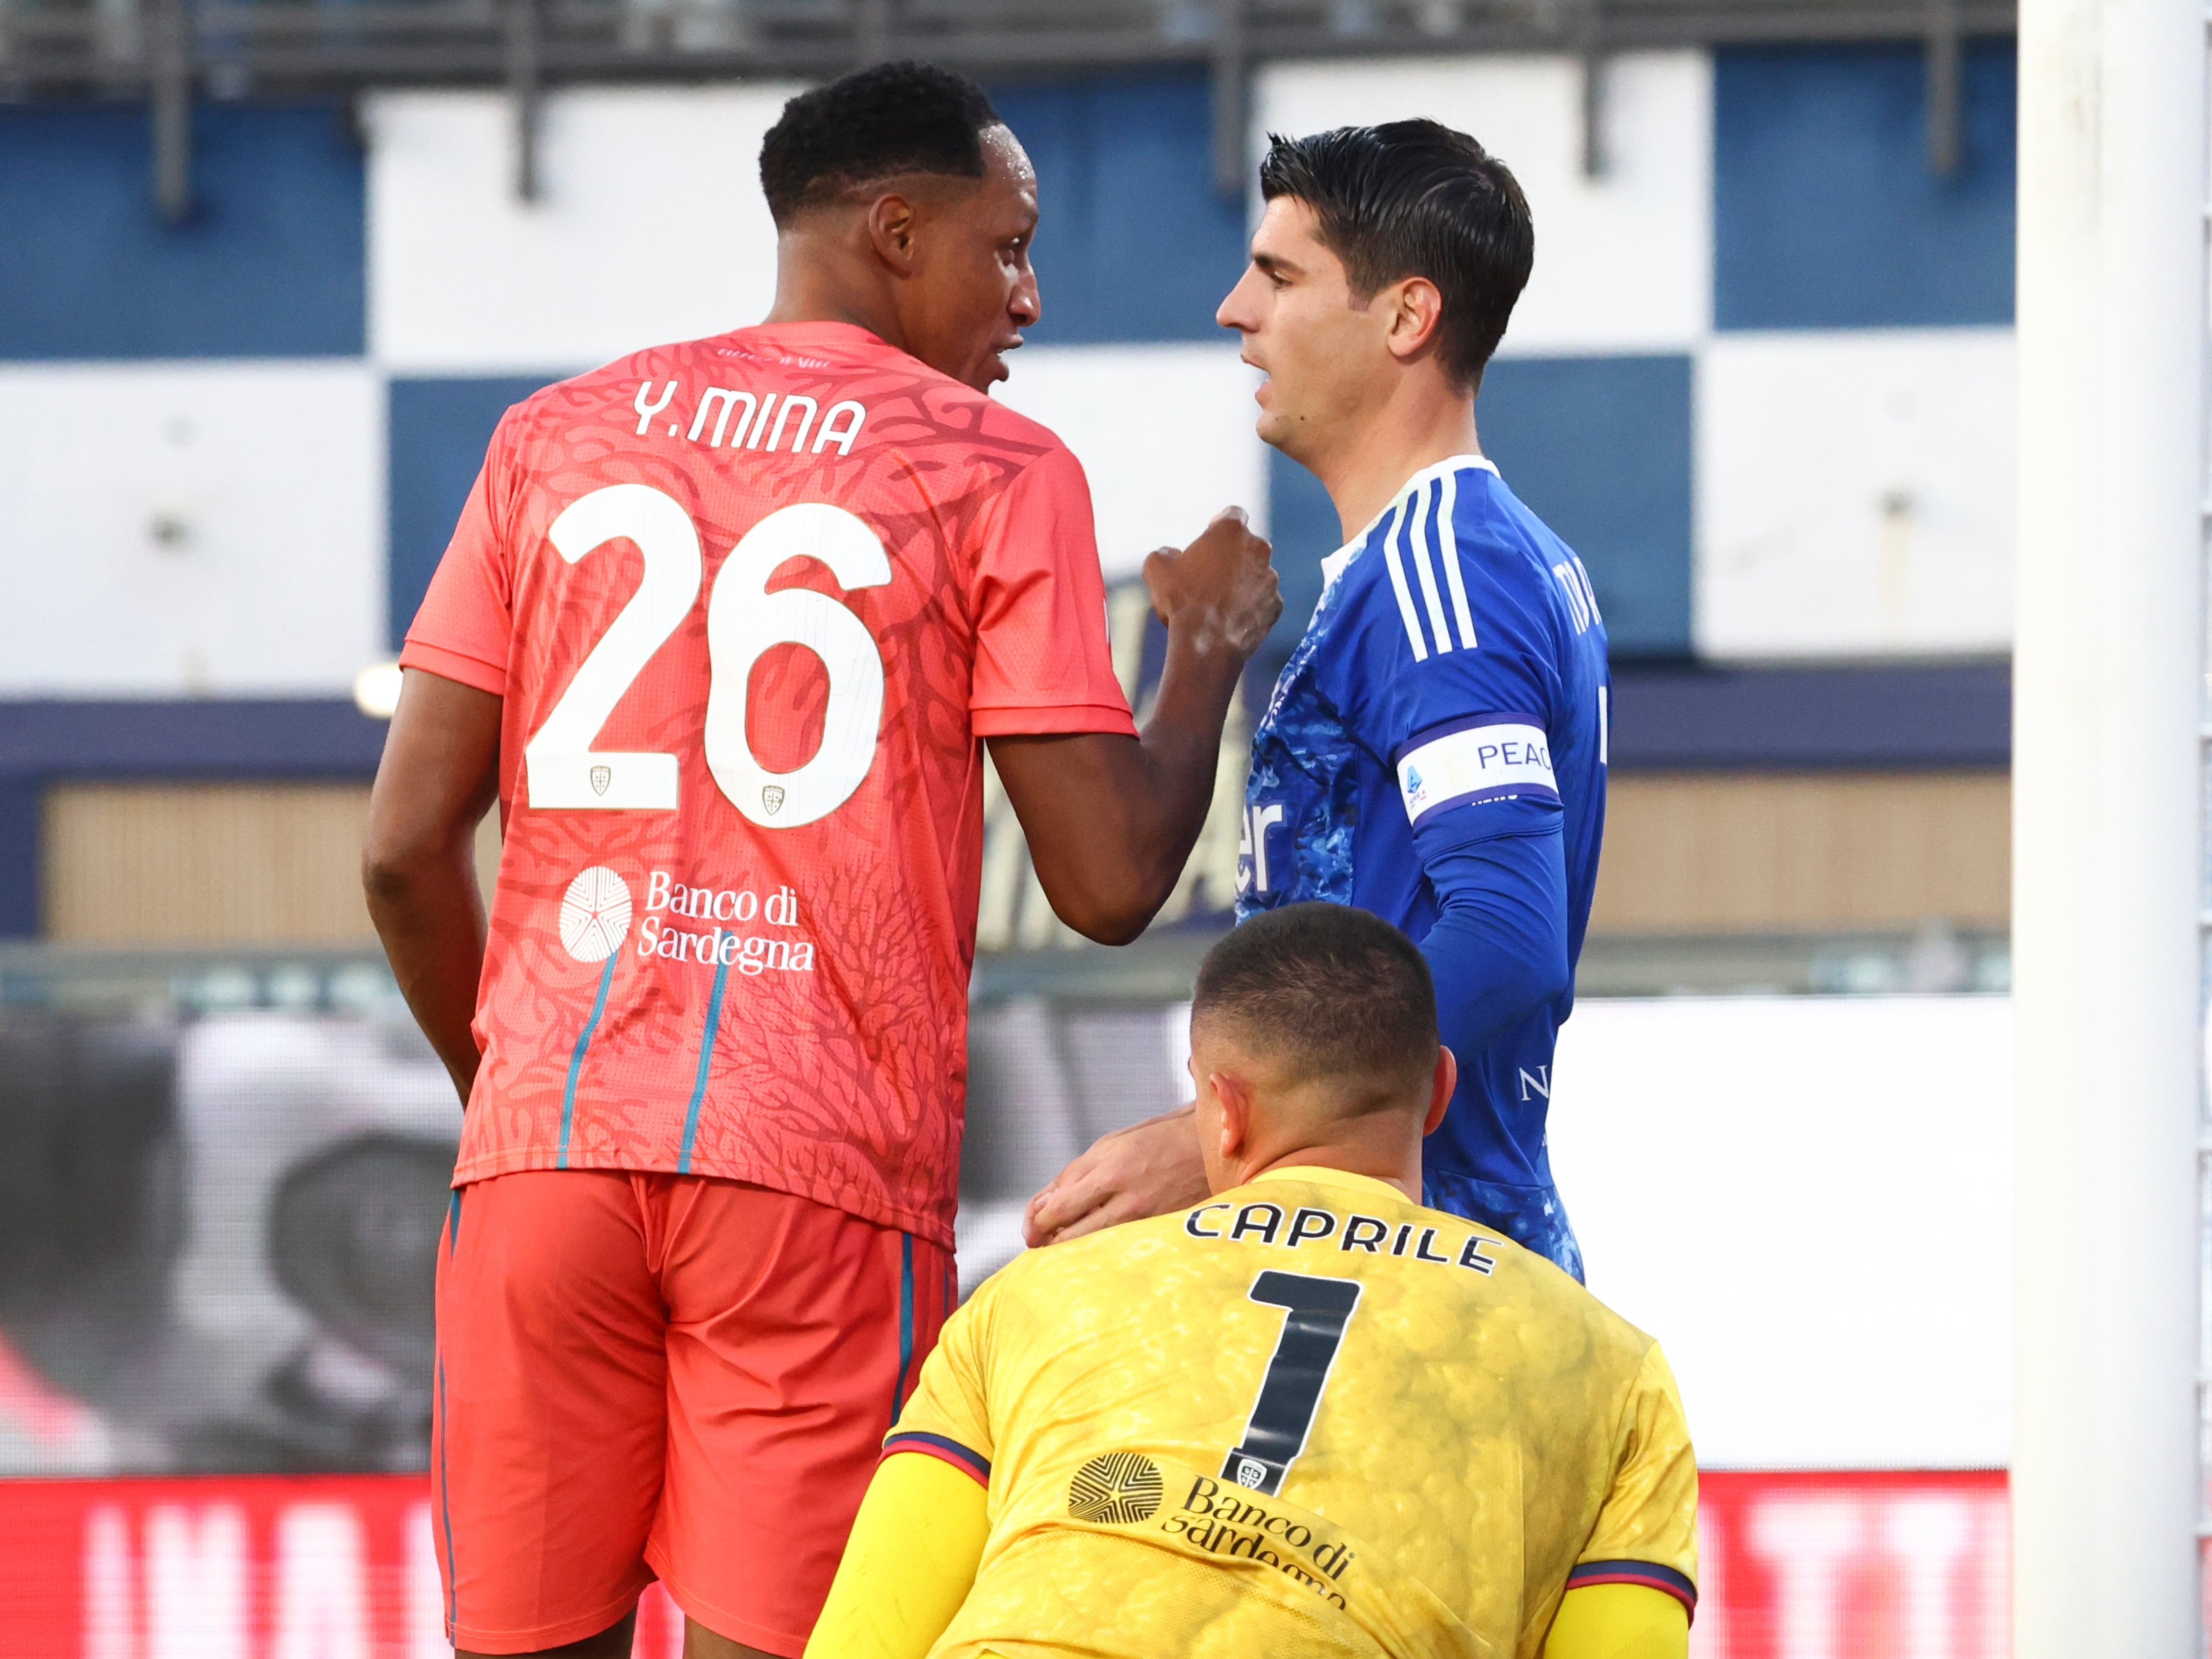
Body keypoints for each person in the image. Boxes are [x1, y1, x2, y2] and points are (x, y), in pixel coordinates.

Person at [362, 62, 1279, 1659]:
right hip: (818, 1177)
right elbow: (1112, 882)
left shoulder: (551, 439)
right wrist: (1200, 649)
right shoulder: (994, 469)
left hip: (547, 1159)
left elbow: (398, 852)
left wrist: (514, 1096)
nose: (1031, 296)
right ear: (896, 229)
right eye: (1006, 249)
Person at [1025, 121, 1606, 1279]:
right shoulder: (1440, 563)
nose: (1234, 309)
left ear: (1405, 317)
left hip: (1420, 1253)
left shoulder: (1450, 571)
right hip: (1394, 1238)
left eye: (1280, 276)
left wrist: (1221, 1142)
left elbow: (1509, 934)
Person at [809, 902, 1696, 1659]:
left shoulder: (1035, 1297)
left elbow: (866, 1636)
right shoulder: (1612, 1373)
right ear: (1439, 1093)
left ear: (1223, 1111)